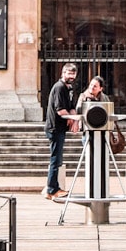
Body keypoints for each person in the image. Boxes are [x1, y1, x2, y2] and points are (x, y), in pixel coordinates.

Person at [43, 62, 81, 200]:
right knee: (55, 159)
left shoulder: (69, 88)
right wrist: (72, 120)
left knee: (57, 159)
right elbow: (60, 111)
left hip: (60, 128)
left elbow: (71, 107)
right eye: (69, 73)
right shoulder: (59, 87)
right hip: (54, 128)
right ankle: (52, 189)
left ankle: (53, 188)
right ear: (63, 73)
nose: (71, 76)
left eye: (73, 73)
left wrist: (74, 119)